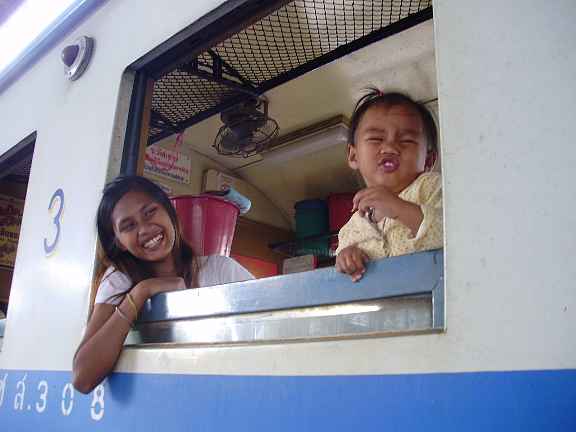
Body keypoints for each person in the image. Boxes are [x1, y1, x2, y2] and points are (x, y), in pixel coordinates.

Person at [72, 176, 253, 394]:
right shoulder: (120, 280)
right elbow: (83, 378)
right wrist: (141, 293)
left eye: (149, 212)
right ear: (119, 241)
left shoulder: (220, 270)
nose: (145, 229)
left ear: (170, 212)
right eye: (128, 225)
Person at [335, 90, 443, 281]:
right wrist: (346, 258)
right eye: (376, 139)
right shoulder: (350, 229)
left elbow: (454, 235)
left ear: (429, 160)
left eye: (407, 140)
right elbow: (343, 271)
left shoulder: (432, 187)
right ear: (353, 155)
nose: (390, 148)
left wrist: (398, 207)